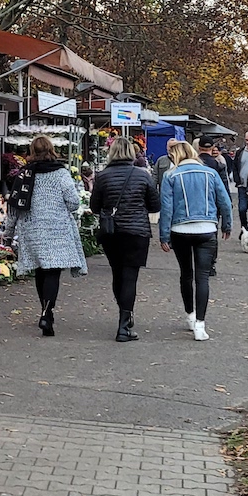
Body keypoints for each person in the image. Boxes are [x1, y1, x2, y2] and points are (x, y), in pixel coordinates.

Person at [4, 134, 88, 338]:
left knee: (41, 271)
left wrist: (8, 233)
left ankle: (44, 310)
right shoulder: (61, 173)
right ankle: (47, 313)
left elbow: (14, 207)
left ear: (32, 152)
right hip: (56, 229)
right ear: (51, 150)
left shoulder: (24, 174)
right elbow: (74, 202)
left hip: (32, 229)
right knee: (53, 272)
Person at [159, 139, 232, 342]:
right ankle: (201, 324)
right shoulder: (210, 173)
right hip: (207, 228)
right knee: (203, 277)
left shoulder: (170, 175)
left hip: (179, 230)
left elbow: (167, 208)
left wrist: (164, 235)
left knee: (186, 274)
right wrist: (227, 225)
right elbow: (224, 201)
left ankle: (190, 315)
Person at [89, 136, 160, 342]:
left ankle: (124, 315)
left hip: (112, 232)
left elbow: (94, 206)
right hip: (137, 232)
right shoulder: (142, 175)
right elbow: (155, 205)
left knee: (117, 273)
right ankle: (124, 323)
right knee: (130, 276)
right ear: (131, 153)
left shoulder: (102, 176)